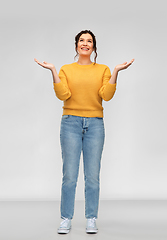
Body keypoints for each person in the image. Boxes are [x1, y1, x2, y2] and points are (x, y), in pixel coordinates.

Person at [34, 30, 134, 234]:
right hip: (70, 123)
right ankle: (65, 218)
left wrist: (115, 71)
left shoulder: (103, 69)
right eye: (82, 40)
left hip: (95, 124)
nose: (85, 44)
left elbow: (106, 96)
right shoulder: (66, 69)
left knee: (93, 176)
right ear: (76, 45)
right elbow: (64, 94)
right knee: (69, 175)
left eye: (89, 41)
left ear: (94, 47)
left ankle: (91, 218)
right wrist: (53, 70)